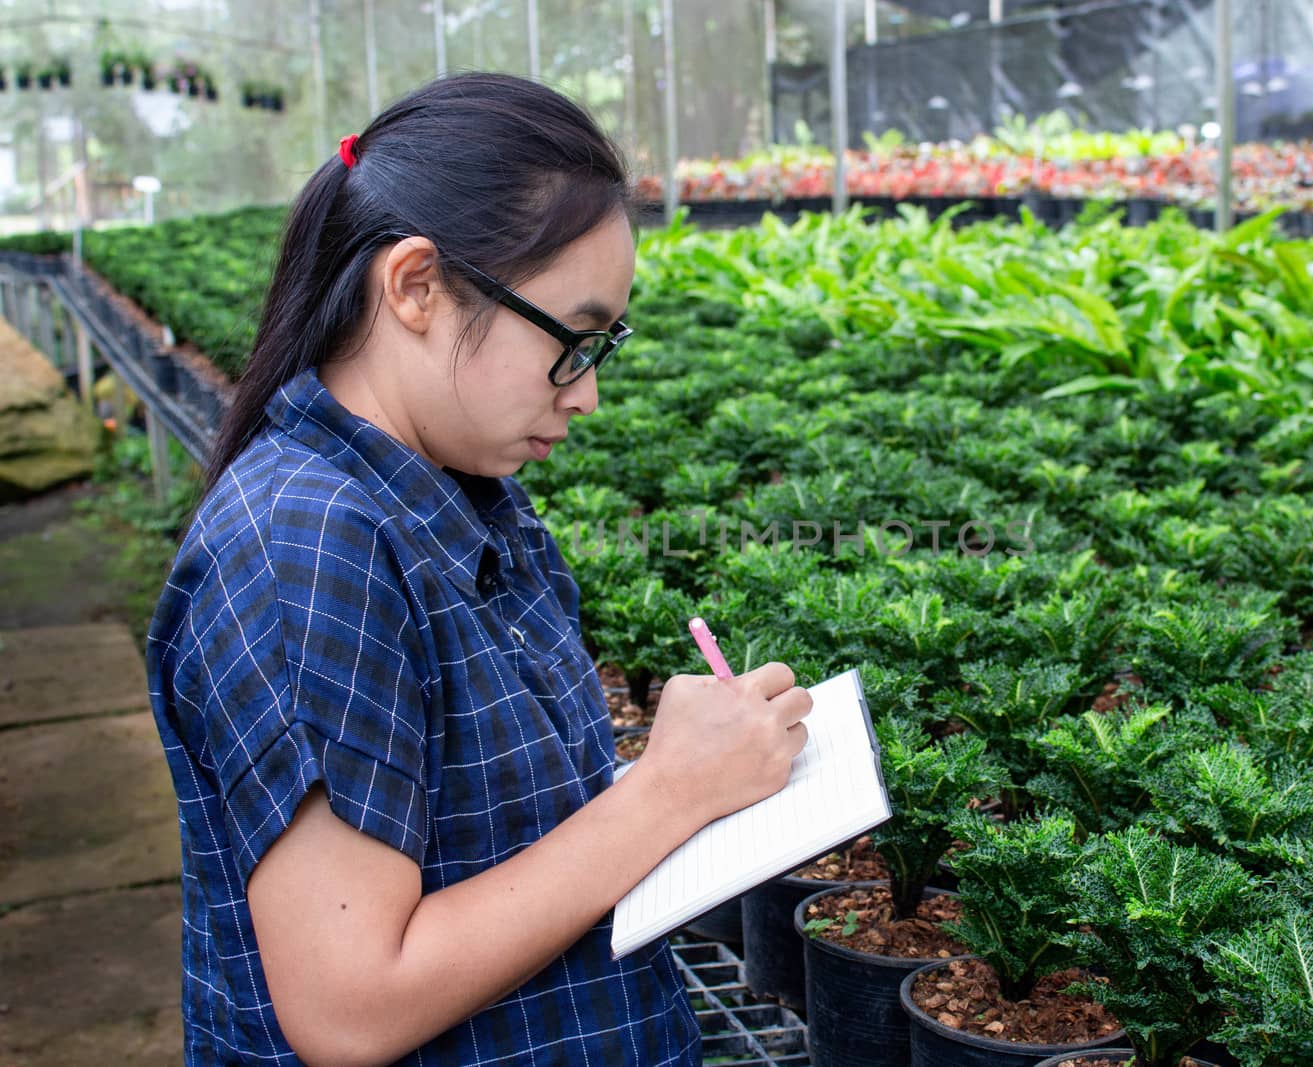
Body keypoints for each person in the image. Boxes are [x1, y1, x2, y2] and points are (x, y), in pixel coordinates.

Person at [145, 72, 813, 1066]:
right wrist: (665, 793)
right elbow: (351, 1003)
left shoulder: (453, 490)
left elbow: (486, 828)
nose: (585, 396)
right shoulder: (305, 547)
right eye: (571, 343)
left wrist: (687, 776)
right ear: (415, 285)